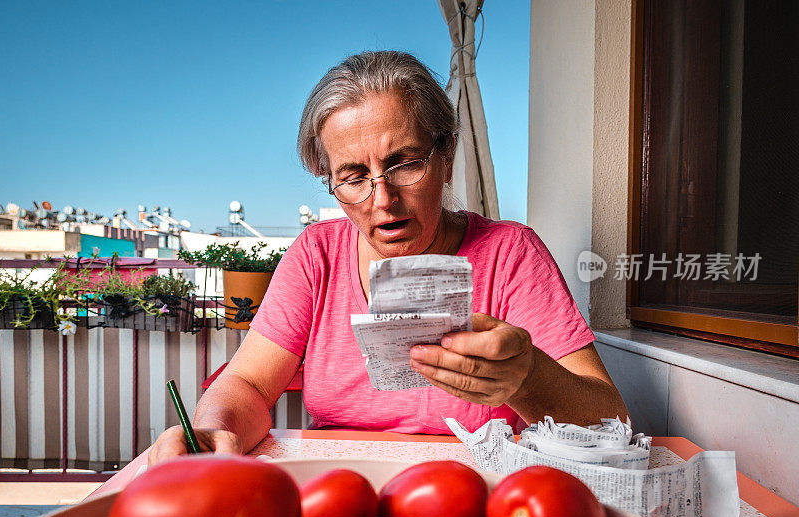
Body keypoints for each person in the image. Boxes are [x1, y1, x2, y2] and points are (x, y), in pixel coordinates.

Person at [149, 51, 628, 465]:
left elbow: (610, 419)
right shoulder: (316, 256)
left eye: (404, 164)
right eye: (354, 176)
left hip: (473, 493)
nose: (383, 199)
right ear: (329, 179)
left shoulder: (510, 254)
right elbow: (249, 384)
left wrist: (526, 377)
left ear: (447, 157)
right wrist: (214, 429)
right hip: (340, 491)